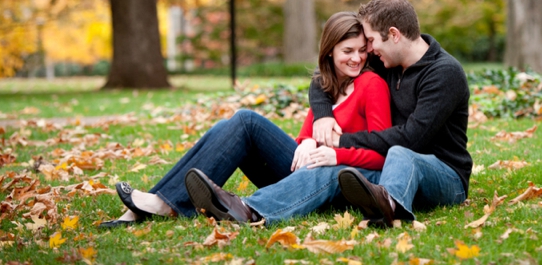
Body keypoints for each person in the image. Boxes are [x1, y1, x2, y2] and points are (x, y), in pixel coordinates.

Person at [100, 12, 390, 228]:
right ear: (329, 51)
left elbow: (381, 154)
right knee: (225, 128)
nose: (357, 58)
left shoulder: (371, 85)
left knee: (246, 120)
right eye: (348, 51)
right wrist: (307, 141)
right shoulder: (326, 85)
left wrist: (334, 154)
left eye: (362, 50)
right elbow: (306, 137)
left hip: (332, 182)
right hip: (302, 170)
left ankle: (162, 204)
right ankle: (155, 203)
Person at [309, 0, 473, 226]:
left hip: (446, 176)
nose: (369, 49)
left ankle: (386, 207)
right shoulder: (386, 61)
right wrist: (322, 115)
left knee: (400, 152)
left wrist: (342, 141)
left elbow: (411, 139)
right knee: (348, 167)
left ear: (394, 34)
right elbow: (323, 71)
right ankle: (377, 197)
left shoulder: (444, 73)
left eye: (371, 40)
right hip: (393, 167)